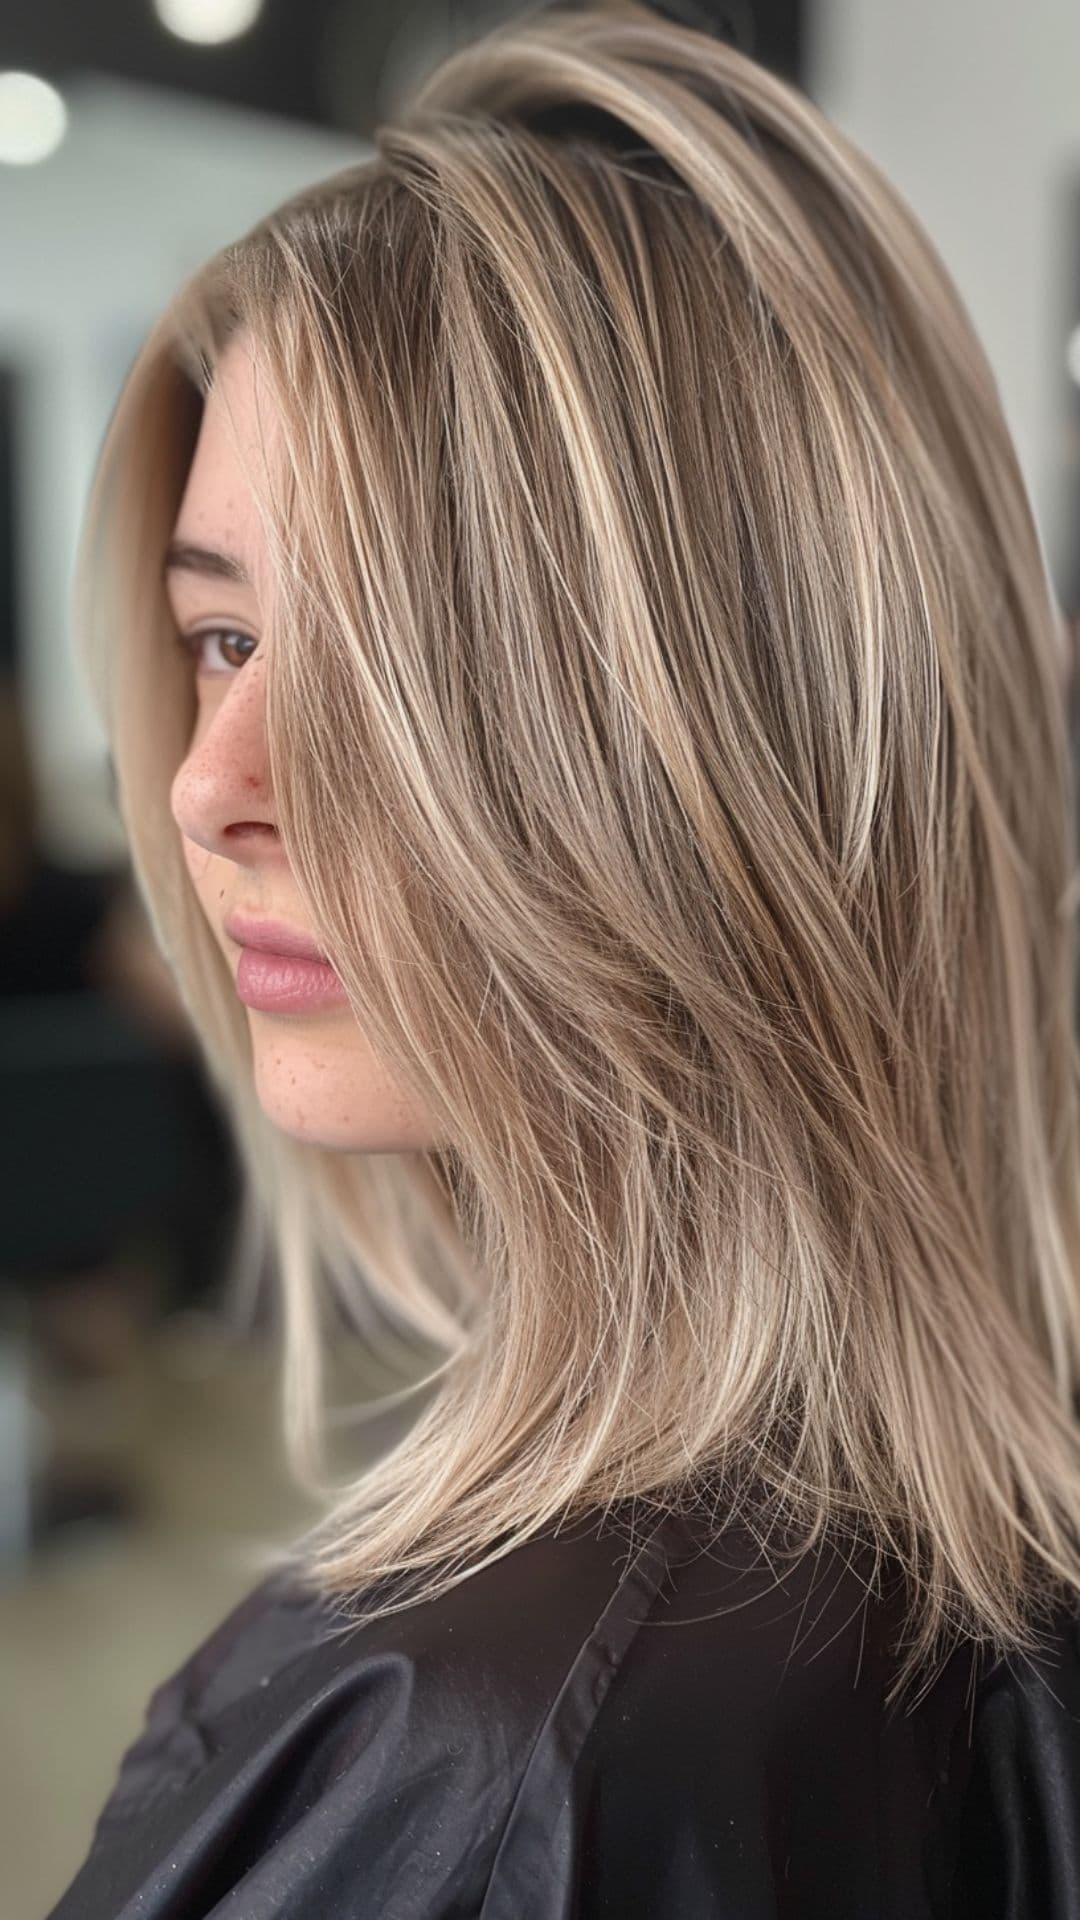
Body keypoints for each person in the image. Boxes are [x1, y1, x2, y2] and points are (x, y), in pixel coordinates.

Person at [46, 0, 1080, 1912]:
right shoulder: (937, 1593)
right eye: (225, 640)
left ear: (713, 749)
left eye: (384, 657)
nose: (209, 790)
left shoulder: (490, 1768)